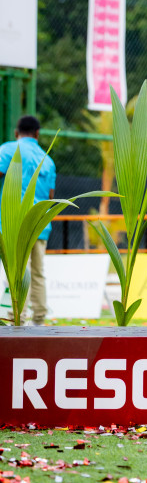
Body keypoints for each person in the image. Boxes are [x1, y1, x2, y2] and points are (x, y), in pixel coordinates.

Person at [0, 115, 56, 325]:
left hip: (15, 222)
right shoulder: (47, 160)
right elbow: (51, 196)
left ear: (17, 133)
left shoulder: (8, 150)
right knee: (38, 271)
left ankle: (16, 316)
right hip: (40, 223)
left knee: (16, 270)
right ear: (37, 134)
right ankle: (40, 316)